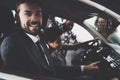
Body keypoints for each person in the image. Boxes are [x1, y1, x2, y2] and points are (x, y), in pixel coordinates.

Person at [0, 0, 56, 76]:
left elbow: (50, 70)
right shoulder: (12, 43)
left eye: (38, 14)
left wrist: (78, 69)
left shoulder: (40, 39)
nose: (34, 19)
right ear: (17, 17)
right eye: (28, 14)